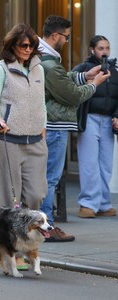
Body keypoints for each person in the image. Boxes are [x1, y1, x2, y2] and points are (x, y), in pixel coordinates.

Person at [38, 15, 111, 242]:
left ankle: (43, 224)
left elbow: (62, 80)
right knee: (50, 178)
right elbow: (71, 94)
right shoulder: (49, 63)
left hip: (52, 125)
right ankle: (46, 226)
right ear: (56, 35)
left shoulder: (45, 59)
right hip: (55, 126)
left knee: (47, 177)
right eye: (66, 37)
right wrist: (93, 84)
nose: (67, 41)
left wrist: (83, 76)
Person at [0, 23, 48, 269]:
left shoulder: (39, 69)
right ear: (12, 45)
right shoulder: (1, 69)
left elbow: (41, 102)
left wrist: (43, 125)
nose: (28, 49)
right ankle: (11, 253)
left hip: (35, 142)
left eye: (32, 45)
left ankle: (25, 245)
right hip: (7, 141)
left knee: (35, 196)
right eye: (24, 45)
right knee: (6, 202)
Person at [72, 35, 118, 218]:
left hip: (108, 121)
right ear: (92, 50)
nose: (105, 51)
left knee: (106, 165)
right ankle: (88, 204)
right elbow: (69, 88)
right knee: (89, 164)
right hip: (89, 119)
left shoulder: (115, 71)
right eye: (101, 48)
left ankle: (104, 204)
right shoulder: (83, 69)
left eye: (107, 47)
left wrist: (117, 115)